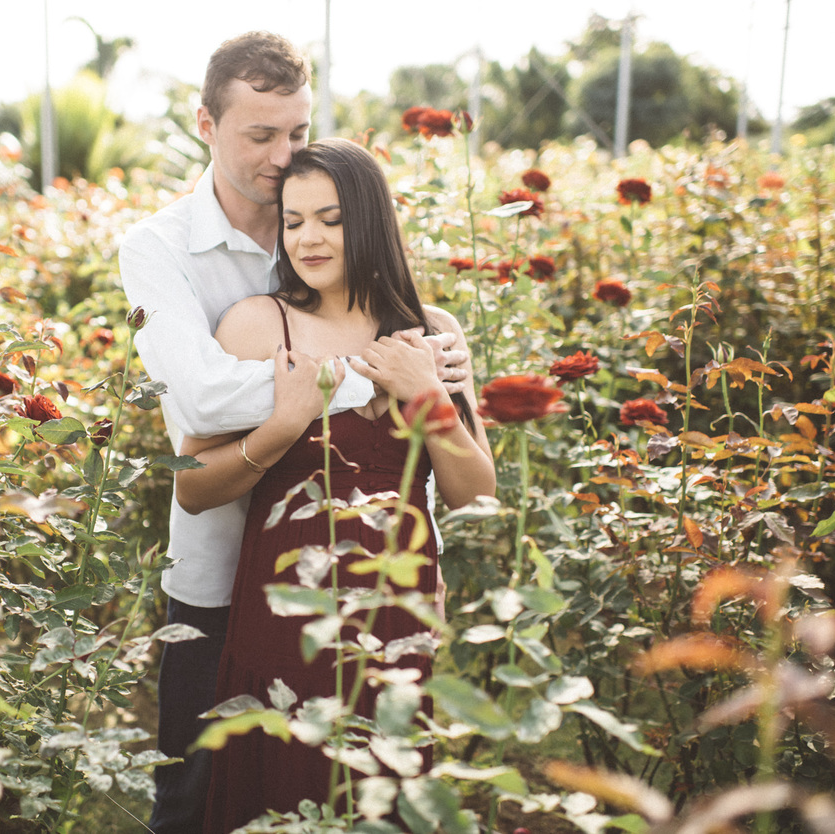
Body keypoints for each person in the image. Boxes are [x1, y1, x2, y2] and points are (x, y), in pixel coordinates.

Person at [119, 33, 468, 834]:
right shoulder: (161, 249)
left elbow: (393, 318)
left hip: (370, 570)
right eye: (260, 135)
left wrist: (434, 363)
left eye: (299, 132)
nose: (283, 156)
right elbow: (203, 399)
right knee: (200, 791)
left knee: (366, 782)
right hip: (222, 565)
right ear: (205, 125)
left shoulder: (320, 217)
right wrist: (383, 371)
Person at [173, 138, 496, 832]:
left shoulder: (432, 332)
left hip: (398, 608)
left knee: (382, 785)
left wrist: (425, 395)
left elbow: (477, 494)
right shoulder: (260, 324)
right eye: (292, 222)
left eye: (331, 219)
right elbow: (193, 488)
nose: (308, 239)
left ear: (370, 220)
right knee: (288, 780)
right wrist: (283, 426)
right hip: (288, 607)